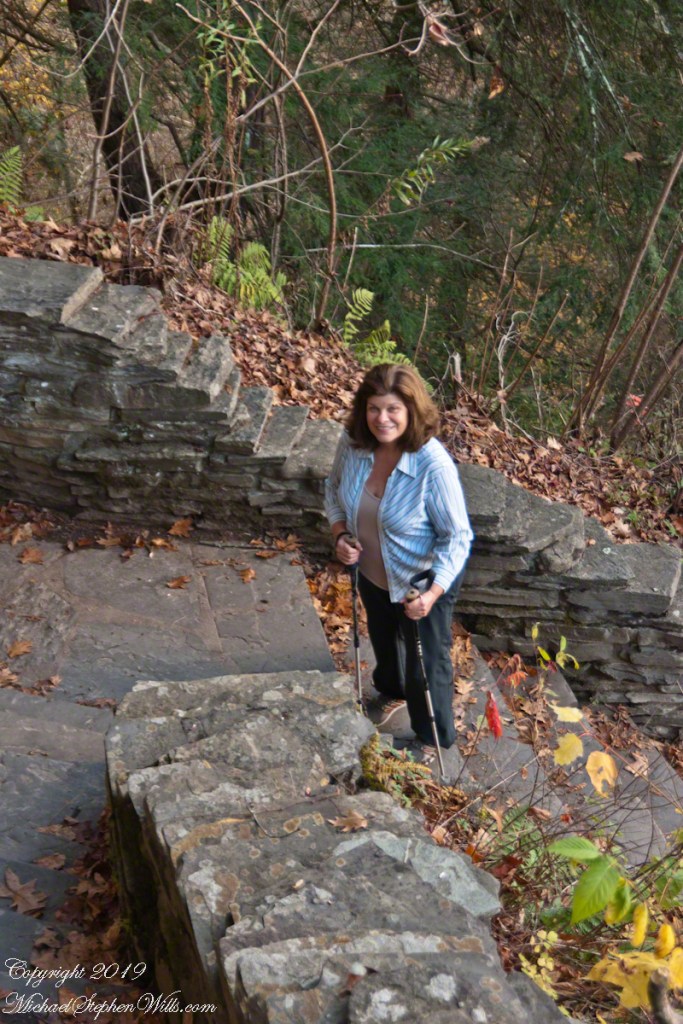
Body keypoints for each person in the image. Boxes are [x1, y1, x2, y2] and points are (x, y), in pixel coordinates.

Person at [324, 363, 473, 752]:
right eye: (374, 408)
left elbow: (457, 536)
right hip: (372, 570)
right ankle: (390, 689)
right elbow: (333, 489)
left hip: (421, 583)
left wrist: (433, 594)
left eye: (393, 409)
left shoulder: (432, 465)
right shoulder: (353, 443)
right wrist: (340, 532)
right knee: (383, 638)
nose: (382, 419)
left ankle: (433, 736)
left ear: (411, 411)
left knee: (427, 664)